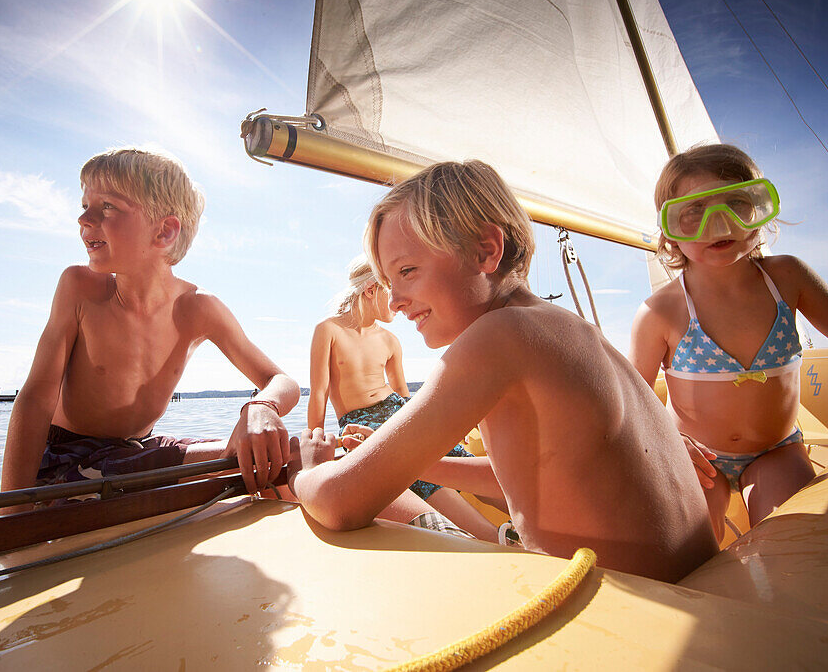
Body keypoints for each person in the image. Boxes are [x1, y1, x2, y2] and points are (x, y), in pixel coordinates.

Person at [290, 160, 717, 582]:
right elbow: (539, 472)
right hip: (694, 594)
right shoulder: (568, 329)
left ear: (485, 251)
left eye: (406, 272)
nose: (396, 301)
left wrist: (307, 469)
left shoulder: (498, 337)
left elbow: (338, 503)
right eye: (389, 283)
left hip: (630, 612)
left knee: (388, 521)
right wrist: (416, 464)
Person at [0, 148, 299, 514]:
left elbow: (282, 380)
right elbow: (35, 398)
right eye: (85, 204)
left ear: (164, 231)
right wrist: (11, 512)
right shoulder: (78, 287)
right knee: (221, 461)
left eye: (107, 206)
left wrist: (261, 407)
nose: (84, 218)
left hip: (140, 451)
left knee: (276, 456)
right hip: (65, 458)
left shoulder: (198, 308)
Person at [629, 143, 828, 541]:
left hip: (776, 451)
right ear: (670, 231)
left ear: (760, 210)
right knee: (686, 546)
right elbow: (632, 399)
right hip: (696, 456)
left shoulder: (787, 278)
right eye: (694, 213)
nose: (719, 225)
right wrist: (668, 446)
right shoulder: (660, 312)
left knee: (798, 546)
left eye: (736, 204)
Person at [308, 255, 499, 541]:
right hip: (361, 420)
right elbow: (319, 391)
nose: (400, 302)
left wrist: (422, 422)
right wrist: (316, 444)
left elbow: (401, 391)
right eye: (391, 289)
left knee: (458, 456)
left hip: (399, 410)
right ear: (371, 289)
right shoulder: (329, 330)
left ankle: (527, 518)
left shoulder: (389, 340)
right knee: (418, 472)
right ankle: (492, 536)